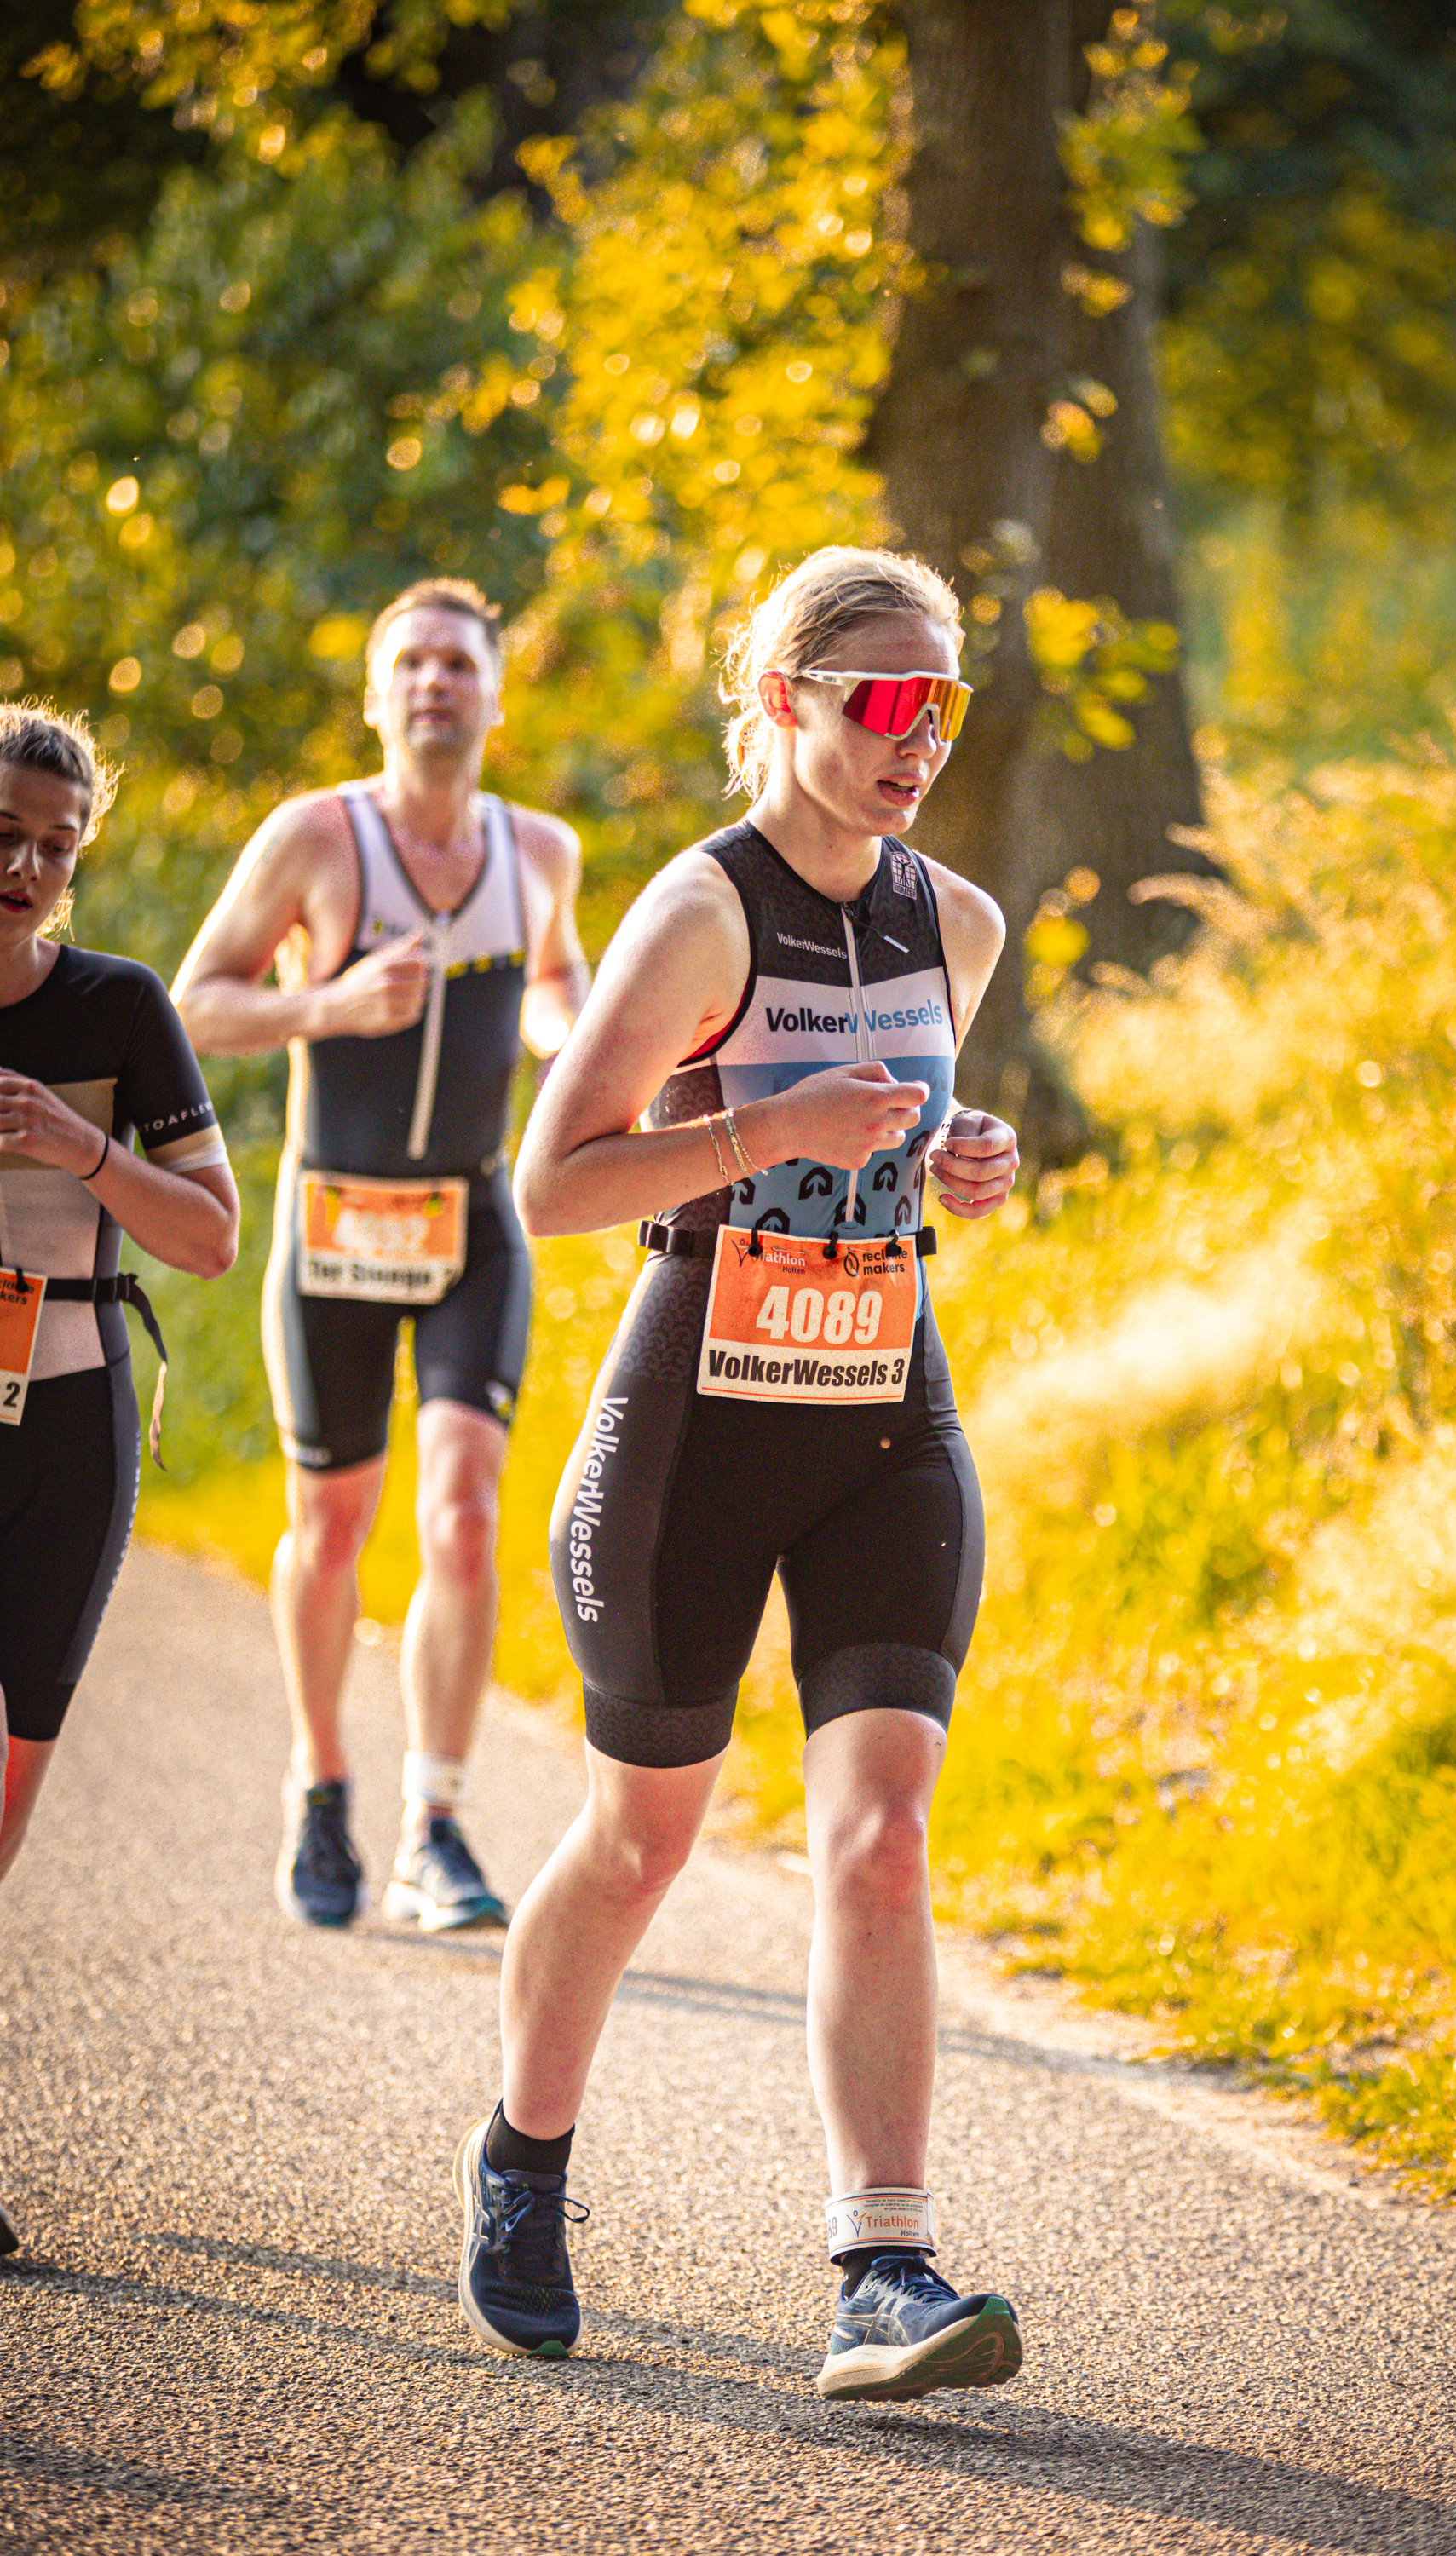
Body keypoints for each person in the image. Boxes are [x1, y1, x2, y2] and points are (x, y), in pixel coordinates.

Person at [454, 544, 1024, 2403]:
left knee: (882, 1836)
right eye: (880, 699)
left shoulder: (962, 923)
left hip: (884, 1409)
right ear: (780, 702)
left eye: (941, 703)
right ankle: (525, 2159)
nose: (915, 738)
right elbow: (550, 1187)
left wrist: (954, 1168)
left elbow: (907, 1133)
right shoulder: (701, 916)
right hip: (697, 1415)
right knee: (644, 1841)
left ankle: (885, 2266)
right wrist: (767, 1125)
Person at [173, 579, 589, 1936]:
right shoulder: (317, 838)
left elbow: (556, 990)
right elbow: (196, 1004)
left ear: (493, 693)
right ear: (376, 694)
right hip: (334, 1221)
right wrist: (330, 1002)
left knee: (465, 1509)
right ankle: (320, 1780)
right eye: (407, 661)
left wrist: (566, 1039)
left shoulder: (542, 854)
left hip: (473, 1221)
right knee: (333, 1523)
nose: (433, 683)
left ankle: (439, 1823)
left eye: (458, 663)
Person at [0, 701, 239, 2255]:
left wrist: (80, 1154)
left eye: (56, 846)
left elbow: (212, 1236)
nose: (25, 864)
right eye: (3, 834)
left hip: (65, 1430)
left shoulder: (118, 1009)